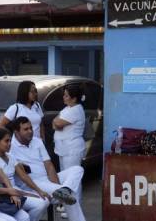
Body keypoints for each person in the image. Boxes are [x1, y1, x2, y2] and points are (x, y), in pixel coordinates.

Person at [9, 117, 86, 221]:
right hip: (33, 184)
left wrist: (58, 186)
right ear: (16, 132)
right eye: (26, 129)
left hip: (47, 179)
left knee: (77, 169)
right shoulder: (10, 146)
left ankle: (65, 189)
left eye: (31, 128)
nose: (30, 131)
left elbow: (48, 165)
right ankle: (64, 193)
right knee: (69, 197)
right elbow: (21, 174)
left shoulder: (37, 141)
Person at [0, 128, 50, 221]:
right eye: (6, 141)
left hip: (16, 189)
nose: (9, 143)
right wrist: (17, 193)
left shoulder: (11, 156)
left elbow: (23, 176)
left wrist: (39, 191)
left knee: (44, 200)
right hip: (4, 193)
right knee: (40, 204)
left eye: (10, 140)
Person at [52, 85, 86, 218]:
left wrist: (56, 122)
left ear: (74, 98)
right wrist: (56, 122)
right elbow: (55, 122)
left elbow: (58, 123)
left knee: (73, 180)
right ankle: (69, 207)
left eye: (66, 95)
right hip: (63, 149)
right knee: (66, 179)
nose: (64, 97)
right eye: (64, 95)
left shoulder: (76, 110)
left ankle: (75, 208)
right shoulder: (67, 108)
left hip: (72, 149)